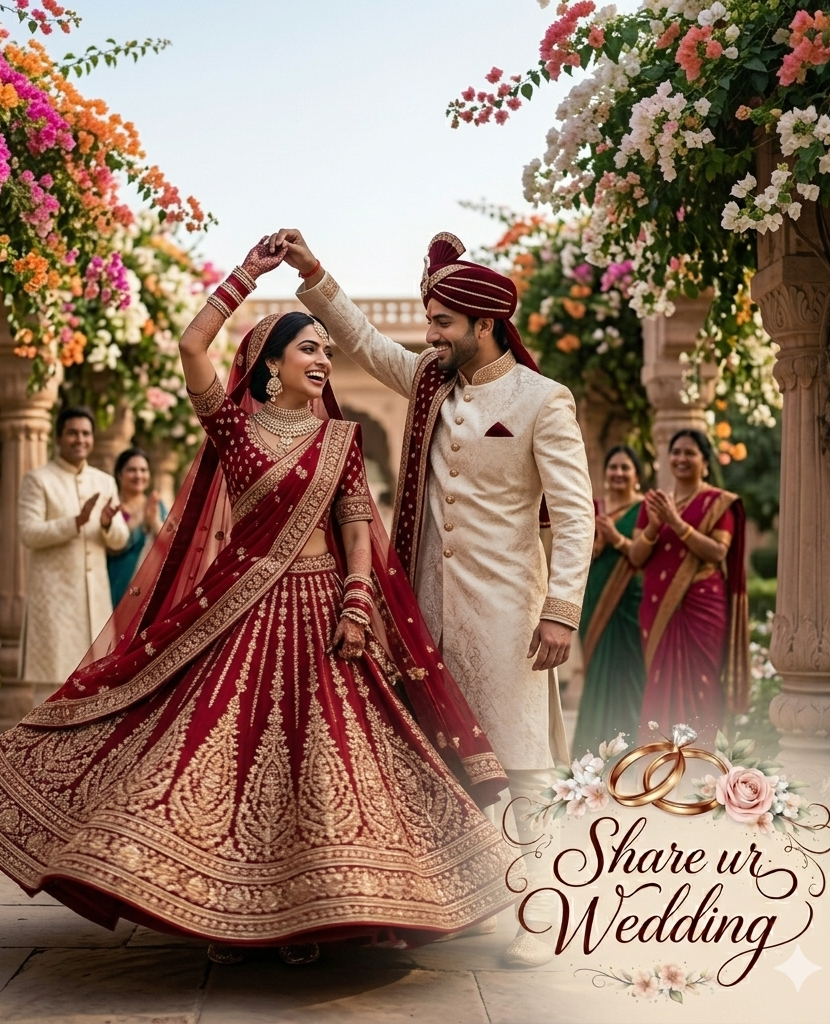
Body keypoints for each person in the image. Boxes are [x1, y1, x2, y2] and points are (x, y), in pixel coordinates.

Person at [0, 239, 512, 969]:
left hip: (326, 617)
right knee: (225, 759)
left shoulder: (340, 439)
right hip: (241, 611)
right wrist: (248, 273)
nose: (323, 361)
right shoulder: (235, 428)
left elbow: (355, 524)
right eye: (308, 348)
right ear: (269, 368)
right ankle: (227, 917)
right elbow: (192, 342)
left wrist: (359, 600)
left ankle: (318, 917)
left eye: (325, 352)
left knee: (328, 767)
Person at [270, 228, 594, 966]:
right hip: (423, 609)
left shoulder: (542, 400)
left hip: (511, 613)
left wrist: (561, 610)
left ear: (485, 325)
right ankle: (472, 895)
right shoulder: (429, 385)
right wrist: (315, 272)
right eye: (429, 321)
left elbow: (576, 515)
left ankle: (544, 912)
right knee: (439, 754)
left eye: (443, 323)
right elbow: (362, 340)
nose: (430, 335)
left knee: (521, 759)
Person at [627, 429, 749, 745]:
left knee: (702, 685)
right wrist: (655, 525)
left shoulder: (719, 504)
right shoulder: (653, 503)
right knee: (659, 684)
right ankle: (657, 764)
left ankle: (702, 765)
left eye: (690, 453)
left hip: (701, 606)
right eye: (676, 451)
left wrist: (677, 523)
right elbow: (636, 557)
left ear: (705, 463)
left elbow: (718, 551)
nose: (681, 458)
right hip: (657, 608)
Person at [17, 407, 130, 691]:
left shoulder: (103, 482)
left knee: (94, 687)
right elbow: (28, 533)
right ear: (58, 437)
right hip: (55, 603)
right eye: (72, 433)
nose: (79, 439)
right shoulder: (39, 479)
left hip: (96, 603)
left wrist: (106, 525)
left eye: (85, 433)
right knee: (51, 690)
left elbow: (120, 540)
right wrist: (75, 522)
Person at [572, 446, 646, 758]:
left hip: (630, 599)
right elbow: (574, 551)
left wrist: (615, 538)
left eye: (625, 468)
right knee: (597, 671)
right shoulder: (593, 507)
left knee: (630, 672)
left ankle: (632, 750)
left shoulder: (645, 510)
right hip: (595, 596)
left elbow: (646, 554)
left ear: (637, 476)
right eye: (613, 467)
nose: (618, 473)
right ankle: (592, 751)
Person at [107, 447, 168, 607]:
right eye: (132, 470)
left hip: (147, 585)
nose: (139, 475)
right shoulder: (112, 508)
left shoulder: (155, 506)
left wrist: (154, 521)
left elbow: (171, 544)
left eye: (143, 470)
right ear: (120, 474)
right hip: (115, 579)